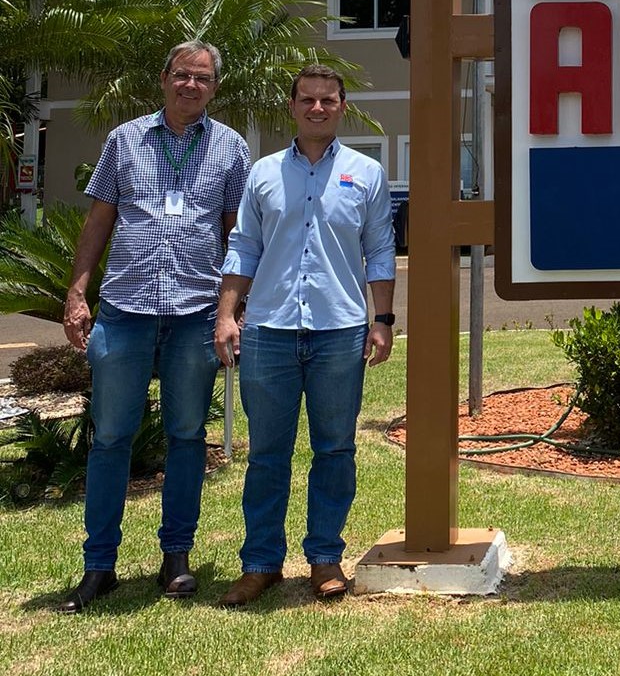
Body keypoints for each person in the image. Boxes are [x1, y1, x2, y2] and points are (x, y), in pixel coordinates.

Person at [58, 41, 250, 613]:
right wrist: (76, 292)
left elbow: (236, 234)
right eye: (182, 76)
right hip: (125, 311)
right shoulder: (125, 140)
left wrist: (231, 309)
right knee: (112, 438)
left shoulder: (231, 148)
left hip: (194, 314)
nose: (191, 86)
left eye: (203, 79)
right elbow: (100, 219)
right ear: (164, 79)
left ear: (215, 88)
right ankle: (99, 566)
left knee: (188, 437)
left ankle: (177, 558)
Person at [214, 65, 396, 608]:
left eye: (328, 100)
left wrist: (381, 320)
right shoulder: (263, 173)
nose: (318, 108)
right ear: (292, 106)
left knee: (334, 449)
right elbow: (244, 246)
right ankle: (261, 564)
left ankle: (324, 558)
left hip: (339, 331)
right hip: (268, 330)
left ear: (342, 107)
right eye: (308, 100)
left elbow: (380, 250)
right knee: (267, 453)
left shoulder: (366, 173)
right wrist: (227, 314)